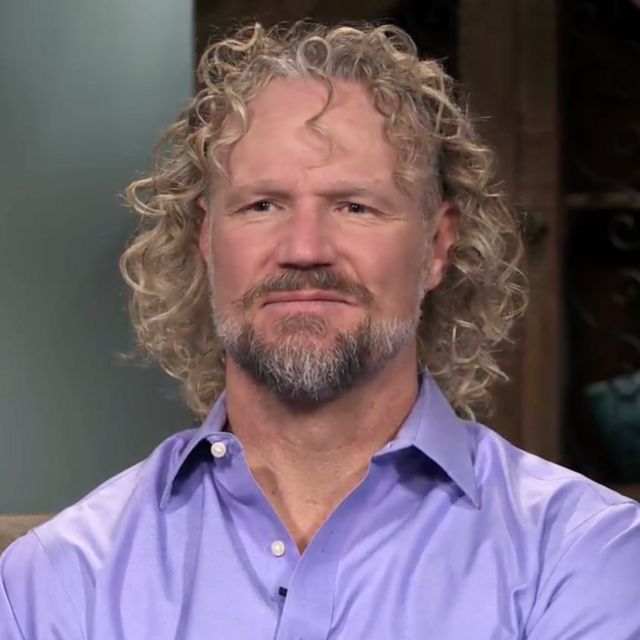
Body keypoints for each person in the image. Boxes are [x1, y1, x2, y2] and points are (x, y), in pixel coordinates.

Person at [1, 21, 639, 640]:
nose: (304, 249)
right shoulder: (59, 582)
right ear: (205, 237)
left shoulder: (581, 557)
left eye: (354, 206)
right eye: (262, 205)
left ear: (438, 245)